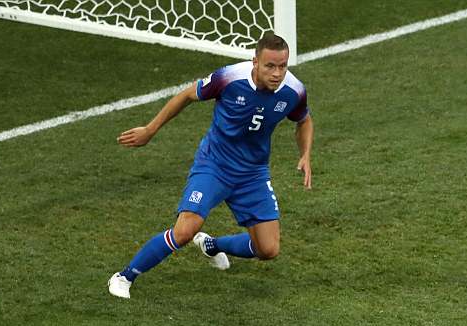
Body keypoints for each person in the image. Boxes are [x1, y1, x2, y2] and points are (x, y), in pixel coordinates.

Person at [108, 32, 313, 299]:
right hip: (214, 165)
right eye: (270, 66)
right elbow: (186, 95)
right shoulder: (229, 78)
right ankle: (125, 275)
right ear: (255, 62)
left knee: (268, 249)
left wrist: (305, 153)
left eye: (282, 66)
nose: (277, 73)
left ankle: (211, 245)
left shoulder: (294, 90)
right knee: (184, 231)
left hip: (252, 174)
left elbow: (304, 120)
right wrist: (150, 130)